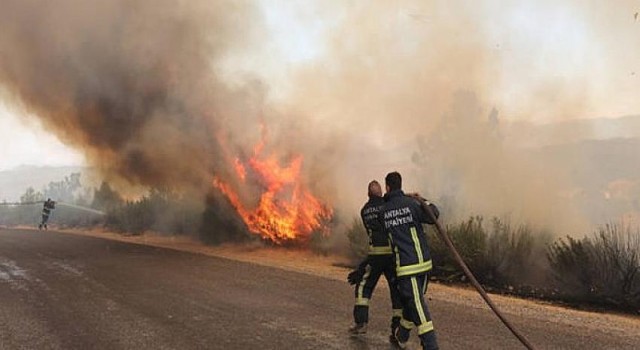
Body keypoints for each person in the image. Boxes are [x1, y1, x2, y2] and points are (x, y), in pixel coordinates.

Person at [379, 171, 440, 350]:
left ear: (387, 187)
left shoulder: (384, 212)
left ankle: (431, 346)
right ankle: (402, 335)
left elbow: (385, 222)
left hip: (406, 267)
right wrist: (422, 199)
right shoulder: (412, 204)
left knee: (418, 307)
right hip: (424, 265)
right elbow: (434, 214)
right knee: (413, 302)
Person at [347, 180, 403, 342]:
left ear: (368, 194)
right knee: (396, 292)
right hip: (392, 256)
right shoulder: (389, 205)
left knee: (363, 287)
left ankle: (361, 323)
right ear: (382, 192)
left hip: (375, 256)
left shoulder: (364, 211)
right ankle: (396, 329)